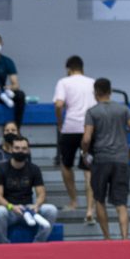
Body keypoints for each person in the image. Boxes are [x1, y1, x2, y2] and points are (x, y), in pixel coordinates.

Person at [83, 77, 130, 241]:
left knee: (99, 199)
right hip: (121, 159)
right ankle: (125, 238)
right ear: (110, 91)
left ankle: (107, 238)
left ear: (95, 92)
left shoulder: (92, 112)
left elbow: (86, 139)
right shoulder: (124, 109)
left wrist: (84, 153)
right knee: (121, 203)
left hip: (101, 159)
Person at [53, 55, 96, 223]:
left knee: (66, 165)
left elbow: (58, 104)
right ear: (82, 68)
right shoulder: (92, 82)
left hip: (70, 127)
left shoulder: (64, 82)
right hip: (89, 128)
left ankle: (73, 201)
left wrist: (59, 122)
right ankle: (90, 209)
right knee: (89, 169)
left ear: (68, 69)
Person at [0, 136, 57, 243]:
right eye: (17, 148)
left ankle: (38, 243)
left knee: (51, 210)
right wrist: (11, 207)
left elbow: (41, 194)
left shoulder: (34, 169)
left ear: (28, 150)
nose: (20, 151)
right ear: (11, 149)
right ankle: (4, 246)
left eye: (24, 148)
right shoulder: (0, 168)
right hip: (10, 210)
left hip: (30, 209)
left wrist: (37, 205)